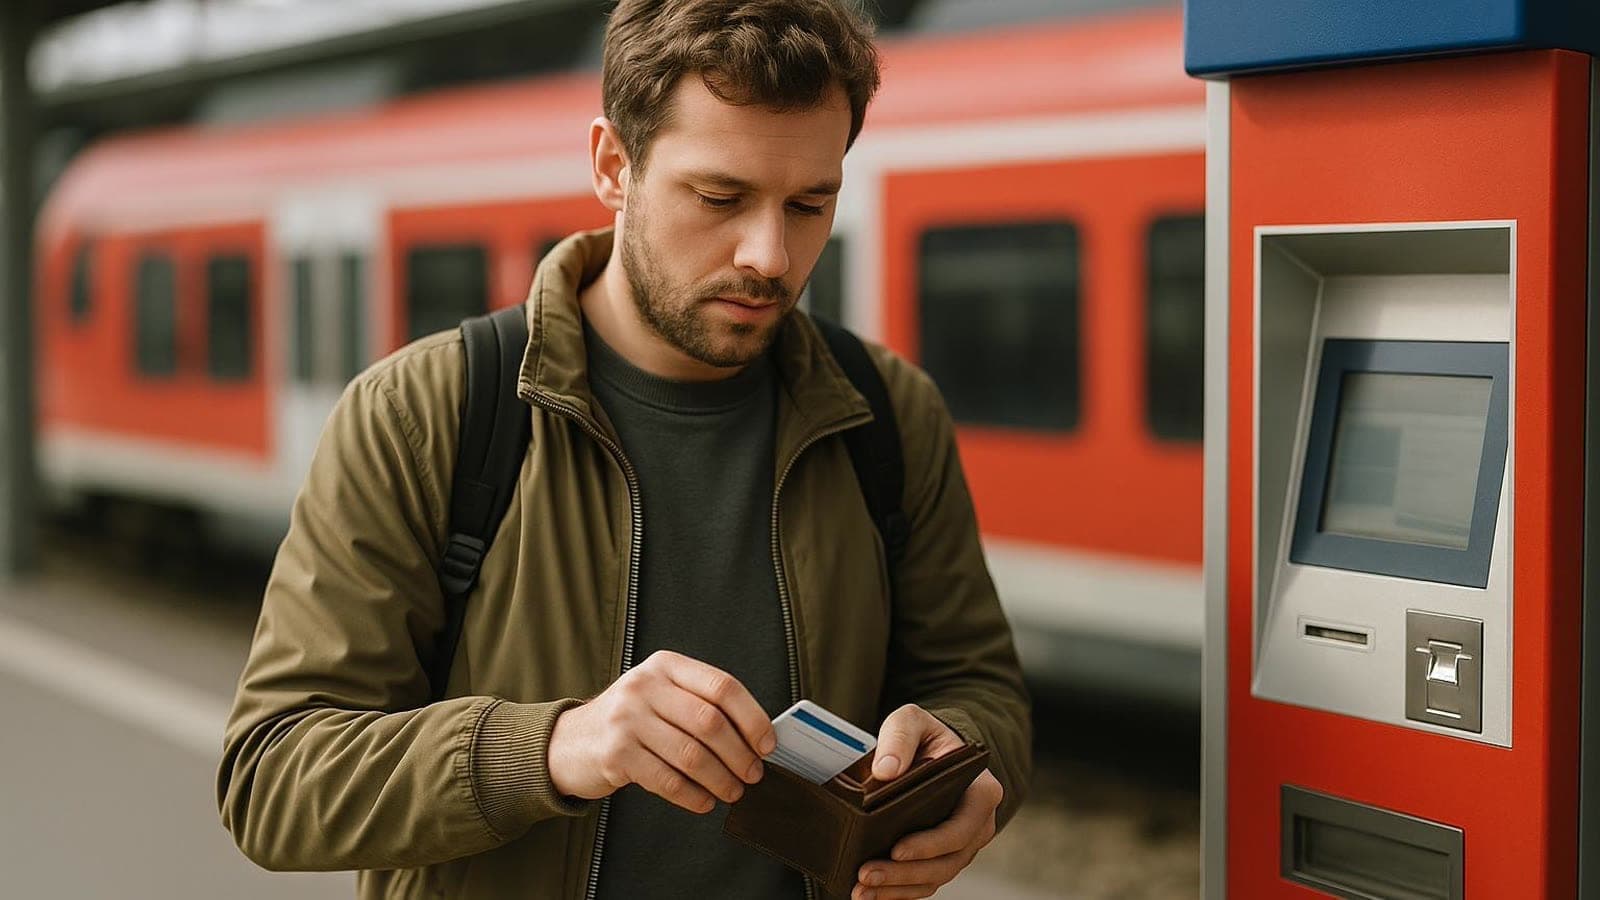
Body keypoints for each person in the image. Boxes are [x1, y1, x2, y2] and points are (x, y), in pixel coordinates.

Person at [216, 1, 1032, 898]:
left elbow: (977, 682)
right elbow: (273, 779)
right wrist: (557, 748)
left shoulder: (888, 412)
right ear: (614, 164)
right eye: (720, 197)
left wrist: (967, 756)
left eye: (810, 203)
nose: (769, 253)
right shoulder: (421, 414)